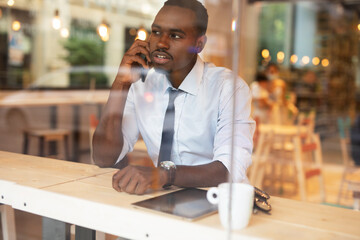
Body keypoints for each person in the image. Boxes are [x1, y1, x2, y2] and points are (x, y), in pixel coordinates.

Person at [92, 0, 255, 195]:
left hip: (220, 202)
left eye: (175, 35)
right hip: (164, 198)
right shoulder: (141, 85)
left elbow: (230, 168)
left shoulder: (228, 88)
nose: (161, 43)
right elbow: (104, 158)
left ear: (198, 45)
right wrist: (120, 84)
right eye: (156, 32)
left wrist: (164, 175)